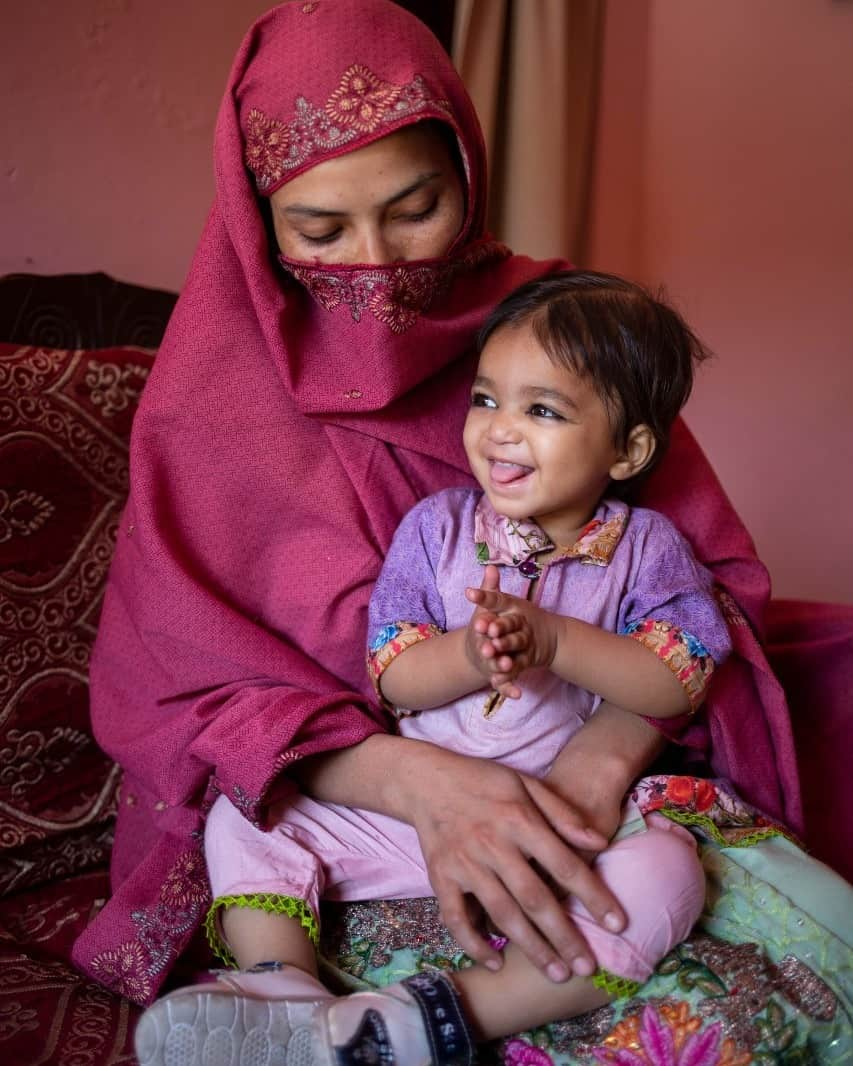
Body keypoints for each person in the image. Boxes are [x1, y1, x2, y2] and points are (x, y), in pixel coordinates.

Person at [71, 0, 801, 1052]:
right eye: (319, 231)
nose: (376, 264)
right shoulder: (203, 408)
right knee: (247, 827)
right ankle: (280, 1005)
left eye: (417, 209)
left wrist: (600, 759)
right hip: (348, 795)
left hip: (573, 778)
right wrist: (428, 786)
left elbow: (704, 599)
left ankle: (434, 1020)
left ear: (469, 169)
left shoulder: (553, 341)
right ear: (254, 219)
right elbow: (181, 691)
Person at [133, 270, 731, 1063]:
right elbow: (393, 676)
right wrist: (468, 655)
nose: (499, 430)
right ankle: (285, 987)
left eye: (542, 410)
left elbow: (675, 680)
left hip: (568, 820)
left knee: (666, 873)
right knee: (246, 813)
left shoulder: (646, 547)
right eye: (486, 400)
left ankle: (429, 1019)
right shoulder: (436, 528)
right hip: (419, 819)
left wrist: (553, 641)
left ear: (628, 449)